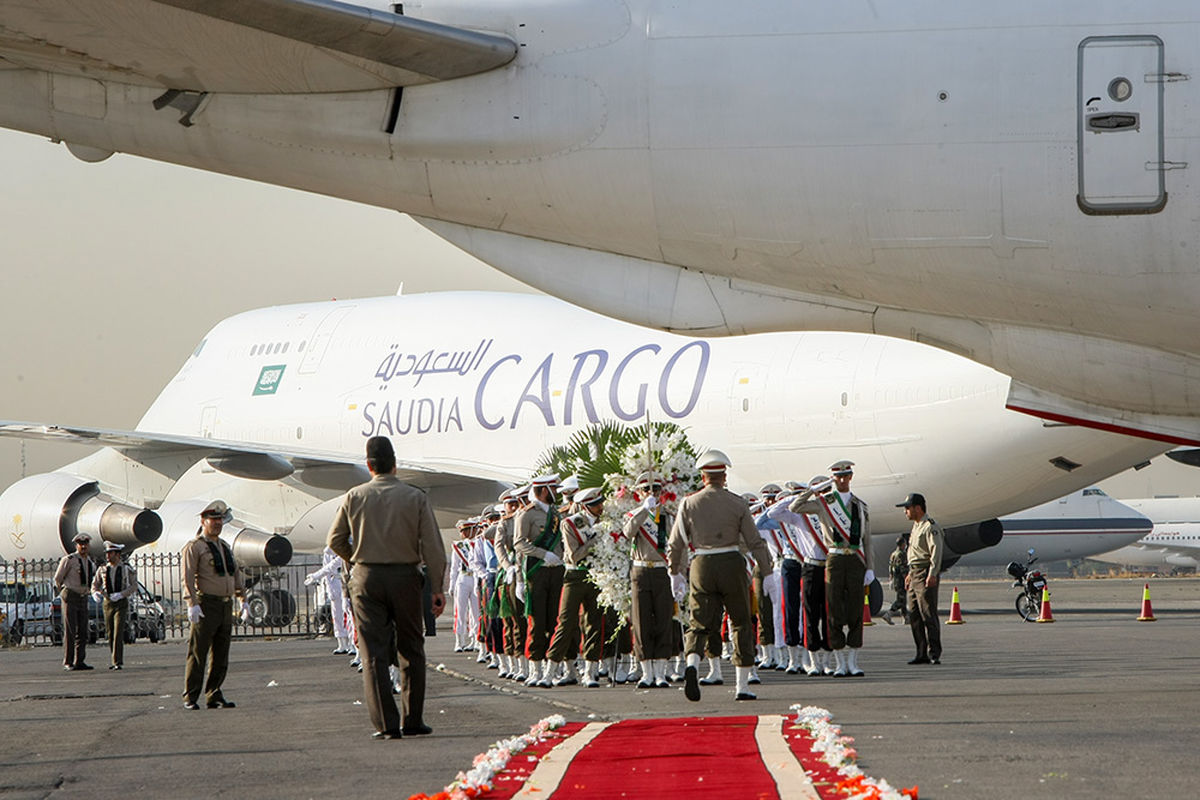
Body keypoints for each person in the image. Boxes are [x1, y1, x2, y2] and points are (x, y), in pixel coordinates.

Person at [328, 436, 447, 739]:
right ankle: (413, 719)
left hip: (366, 578)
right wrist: (437, 586)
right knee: (412, 648)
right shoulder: (414, 496)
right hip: (406, 576)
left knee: (373, 653)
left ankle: (386, 723)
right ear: (395, 464)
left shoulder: (354, 496)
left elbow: (334, 540)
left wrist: (355, 559)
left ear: (369, 466)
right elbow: (433, 546)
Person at [667, 449, 773, 702]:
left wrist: (674, 573)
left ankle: (692, 663)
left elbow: (676, 543)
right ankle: (742, 686)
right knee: (740, 622)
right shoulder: (738, 503)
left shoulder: (688, 503)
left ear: (703, 477)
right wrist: (767, 572)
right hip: (731, 563)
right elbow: (755, 541)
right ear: (723, 477)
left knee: (699, 622)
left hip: (701, 564)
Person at [789, 460, 873, 677]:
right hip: (833, 559)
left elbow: (867, 539)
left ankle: (853, 661)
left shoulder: (860, 505)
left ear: (851, 477)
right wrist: (813, 490)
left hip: (855, 559)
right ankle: (839, 662)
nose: (843, 480)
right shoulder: (824, 503)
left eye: (846, 475)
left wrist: (870, 568)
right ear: (833, 479)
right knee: (833, 610)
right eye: (838, 477)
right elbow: (794, 508)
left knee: (855, 610)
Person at [182, 500, 249, 710]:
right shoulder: (195, 547)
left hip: (225, 605)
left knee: (221, 654)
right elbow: (187, 577)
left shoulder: (224, 546)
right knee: (198, 652)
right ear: (203, 521)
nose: (218, 523)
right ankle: (191, 696)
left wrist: (243, 599)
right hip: (206, 604)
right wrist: (192, 603)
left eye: (220, 519)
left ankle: (214, 693)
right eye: (213, 519)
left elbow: (234, 575)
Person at [546, 487, 607, 687]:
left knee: (594, 623)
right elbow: (574, 555)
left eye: (600, 503)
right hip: (575, 575)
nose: (600, 507)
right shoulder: (570, 523)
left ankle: (590, 671)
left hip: (596, 575)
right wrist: (596, 540)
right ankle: (551, 670)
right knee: (566, 622)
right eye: (595, 505)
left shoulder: (606, 522)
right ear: (585, 507)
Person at [513, 474, 565, 688]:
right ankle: (535, 667)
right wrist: (543, 554)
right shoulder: (526, 514)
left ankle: (554, 668)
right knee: (537, 622)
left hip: (557, 570)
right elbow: (519, 543)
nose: (557, 492)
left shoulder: (556, 514)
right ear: (544, 490)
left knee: (556, 620)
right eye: (554, 488)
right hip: (537, 571)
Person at [625, 472, 675, 688]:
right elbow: (627, 533)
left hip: (662, 570)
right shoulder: (634, 514)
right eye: (646, 489)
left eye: (655, 489)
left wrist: (678, 572)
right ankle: (646, 672)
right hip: (641, 571)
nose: (651, 493)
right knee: (641, 621)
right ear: (639, 493)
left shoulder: (667, 516)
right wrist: (644, 509)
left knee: (664, 619)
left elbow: (675, 544)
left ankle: (661, 672)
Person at [898, 493, 944, 665]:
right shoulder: (916, 526)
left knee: (928, 614)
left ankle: (934, 653)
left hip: (925, 572)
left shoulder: (930, 526)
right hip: (915, 572)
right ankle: (920, 652)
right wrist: (910, 573)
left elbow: (936, 551)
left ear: (918, 508)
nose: (905, 512)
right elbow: (913, 553)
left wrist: (932, 573)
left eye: (907, 508)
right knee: (914, 615)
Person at [54, 532, 96, 671]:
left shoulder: (89, 562)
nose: (83, 546)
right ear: (76, 545)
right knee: (70, 630)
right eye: (80, 544)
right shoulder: (69, 559)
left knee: (83, 631)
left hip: (83, 597)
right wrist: (63, 594)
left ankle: (80, 660)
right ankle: (68, 661)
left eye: (85, 544)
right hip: (71, 596)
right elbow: (58, 578)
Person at [91, 541, 136, 670]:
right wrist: (95, 593)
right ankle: (114, 658)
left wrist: (122, 594)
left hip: (121, 602)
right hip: (108, 602)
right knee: (110, 631)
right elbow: (95, 584)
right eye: (107, 553)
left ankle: (118, 661)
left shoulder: (126, 568)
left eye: (111, 553)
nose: (108, 556)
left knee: (118, 631)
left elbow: (134, 586)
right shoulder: (103, 569)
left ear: (117, 554)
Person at [305, 546, 355, 655]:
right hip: (334, 585)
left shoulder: (345, 550)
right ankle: (342, 643)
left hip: (344, 583)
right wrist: (329, 589)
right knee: (337, 616)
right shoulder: (328, 553)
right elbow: (327, 571)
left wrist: (316, 575)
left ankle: (352, 644)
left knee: (349, 618)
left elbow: (332, 566)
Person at [448, 519, 480, 653]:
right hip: (463, 578)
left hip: (475, 577)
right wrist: (452, 584)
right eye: (462, 531)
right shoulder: (458, 546)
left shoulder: (478, 542)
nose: (463, 533)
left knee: (476, 611)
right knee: (460, 611)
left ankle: (476, 640)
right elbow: (454, 567)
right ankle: (459, 640)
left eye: (466, 530)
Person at [881, 535, 910, 626]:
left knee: (903, 599)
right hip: (901, 580)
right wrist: (906, 578)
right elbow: (903, 568)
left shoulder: (893, 554)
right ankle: (888, 614)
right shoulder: (901, 554)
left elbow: (890, 566)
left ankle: (906, 617)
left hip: (896, 579)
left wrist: (891, 577)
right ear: (902, 544)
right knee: (900, 600)